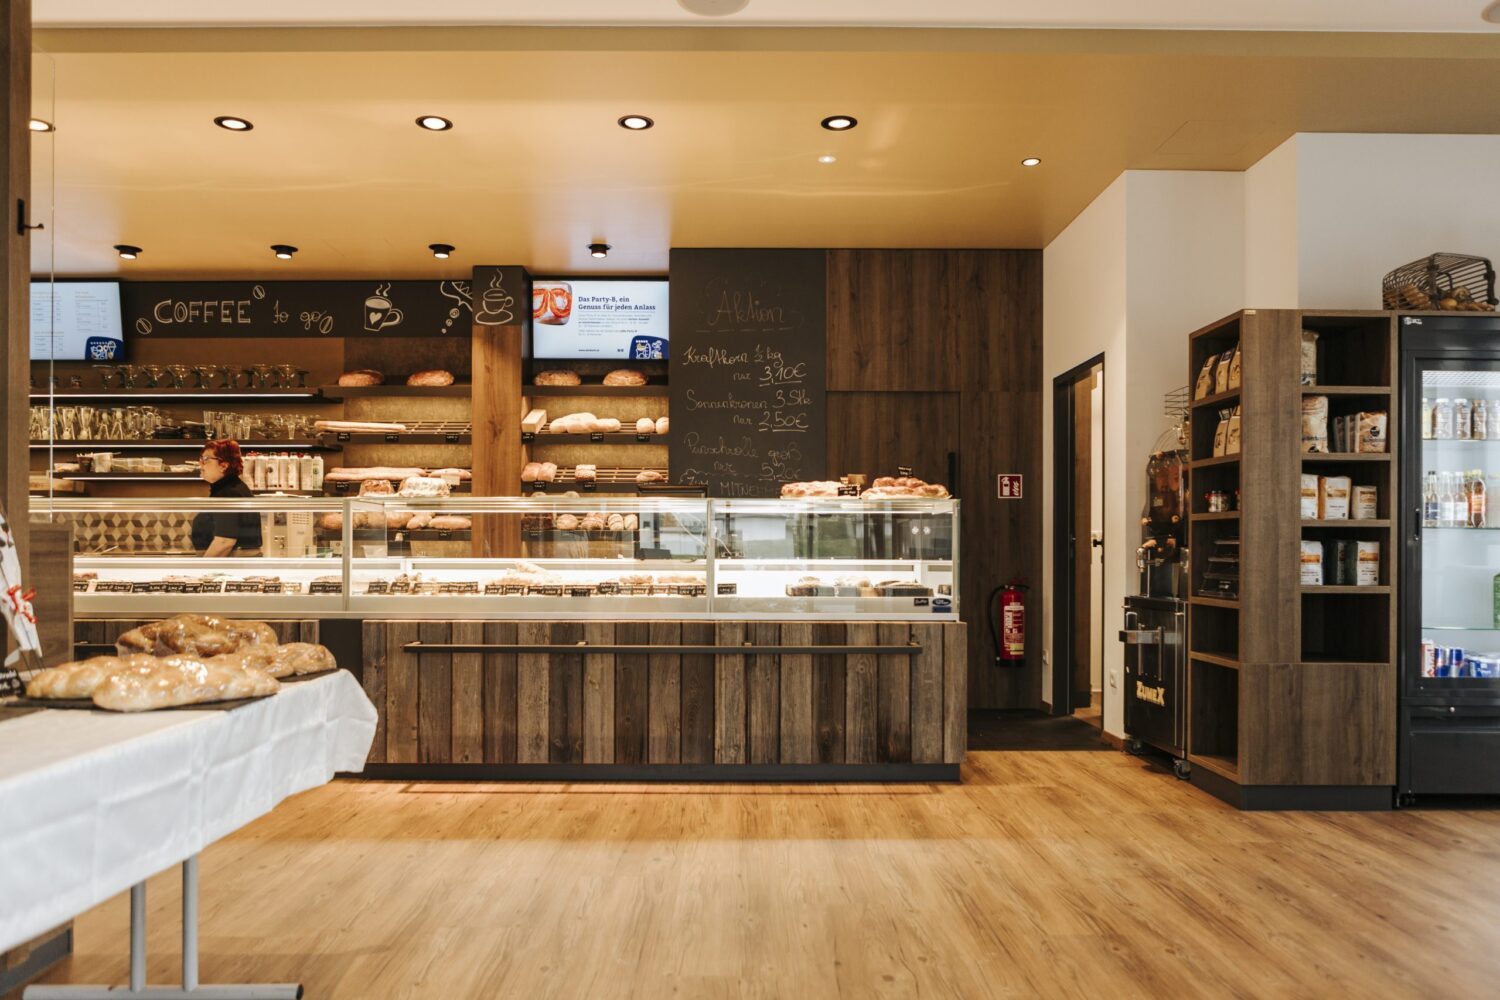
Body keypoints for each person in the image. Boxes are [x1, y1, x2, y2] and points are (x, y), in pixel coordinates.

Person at [191, 439, 262, 557]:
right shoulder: (228, 489)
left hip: (232, 565)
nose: (200, 464)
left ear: (224, 465)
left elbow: (225, 542)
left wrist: (203, 566)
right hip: (231, 564)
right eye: (201, 458)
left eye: (206, 459)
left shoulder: (228, 493)